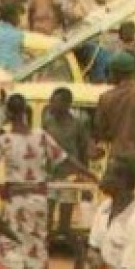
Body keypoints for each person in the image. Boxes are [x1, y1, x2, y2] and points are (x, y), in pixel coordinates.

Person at [0, 93, 90, 269]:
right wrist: (86, 172)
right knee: (38, 247)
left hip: (15, 201)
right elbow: (65, 158)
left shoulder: (3, 140)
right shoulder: (41, 136)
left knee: (10, 247)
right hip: (38, 200)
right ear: (26, 112)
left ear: (8, 113)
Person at [41, 87, 92, 255]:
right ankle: (43, 252)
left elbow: (84, 151)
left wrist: (84, 174)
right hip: (50, 175)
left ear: (67, 104)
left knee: (64, 224)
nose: (51, 105)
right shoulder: (48, 122)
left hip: (69, 176)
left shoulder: (77, 125)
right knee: (46, 219)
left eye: (55, 102)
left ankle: (79, 252)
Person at [93, 52, 135, 173]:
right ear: (132, 72)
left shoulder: (106, 98)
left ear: (115, 73)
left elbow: (100, 130)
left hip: (117, 157)